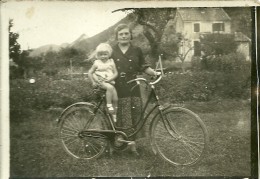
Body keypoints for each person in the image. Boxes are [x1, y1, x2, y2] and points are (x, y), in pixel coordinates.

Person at [111, 24, 159, 155]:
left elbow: (143, 66)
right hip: (117, 87)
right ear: (117, 36)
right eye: (121, 34)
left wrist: (154, 73)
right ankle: (115, 143)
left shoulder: (136, 50)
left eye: (126, 33)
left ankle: (133, 146)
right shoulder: (111, 50)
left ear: (130, 35)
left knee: (134, 116)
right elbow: (103, 64)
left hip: (133, 86)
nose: (124, 36)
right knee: (119, 115)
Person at [88, 43, 118, 122]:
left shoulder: (111, 61)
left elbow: (116, 73)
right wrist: (93, 82)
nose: (103, 56)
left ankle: (114, 114)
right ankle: (108, 105)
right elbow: (90, 72)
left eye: (105, 54)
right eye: (101, 54)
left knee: (115, 99)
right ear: (98, 55)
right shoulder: (97, 63)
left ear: (109, 54)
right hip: (101, 81)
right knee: (110, 88)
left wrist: (111, 79)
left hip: (110, 82)